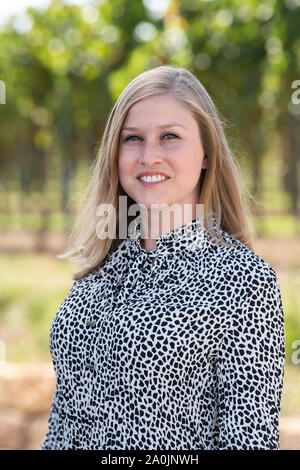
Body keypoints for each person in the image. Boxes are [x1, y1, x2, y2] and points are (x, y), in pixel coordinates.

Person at [40, 65, 286, 450]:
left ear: (207, 154)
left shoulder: (244, 282)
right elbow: (62, 426)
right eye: (133, 138)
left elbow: (249, 441)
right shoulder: (97, 273)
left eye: (170, 136)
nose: (149, 156)